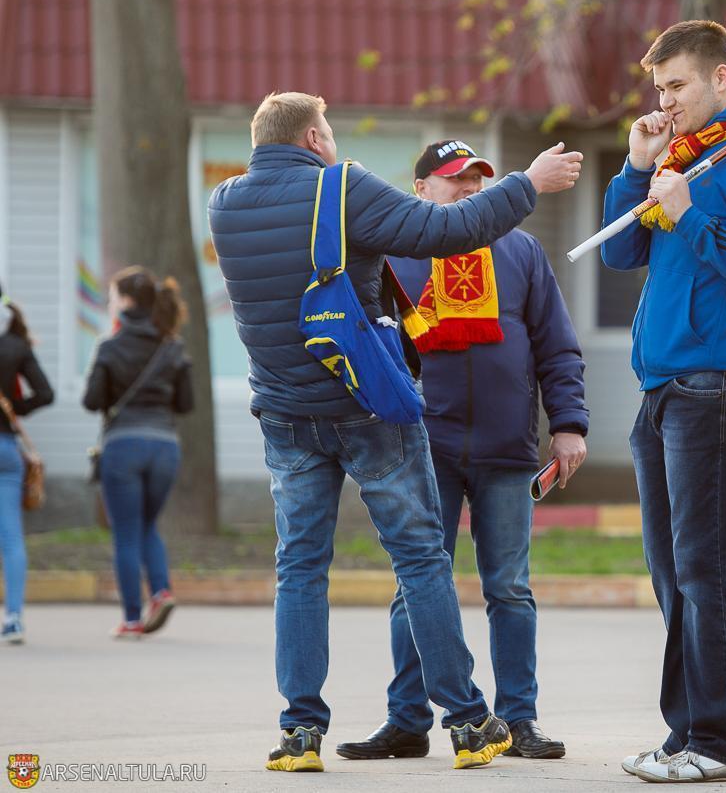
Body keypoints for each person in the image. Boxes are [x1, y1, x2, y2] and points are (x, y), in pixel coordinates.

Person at [208, 92, 581, 773]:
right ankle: (467, 721)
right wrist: (526, 183)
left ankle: (300, 731)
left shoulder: (224, 203)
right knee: (420, 560)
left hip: (286, 415)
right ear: (314, 137)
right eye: (328, 131)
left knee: (299, 567)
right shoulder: (341, 187)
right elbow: (445, 232)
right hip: (365, 405)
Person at [600, 21, 726, 783]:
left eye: (678, 85)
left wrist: (689, 213)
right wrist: (637, 168)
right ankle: (685, 732)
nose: (665, 101)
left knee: (706, 566)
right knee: (671, 568)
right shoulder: (681, 156)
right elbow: (619, 250)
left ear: (722, 78)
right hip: (663, 385)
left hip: (719, 382)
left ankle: (719, 744)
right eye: (659, 88)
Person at [338, 140, 589, 763]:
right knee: (417, 585)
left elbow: (557, 346)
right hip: (424, 448)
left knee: (510, 589)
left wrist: (569, 424)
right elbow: (368, 348)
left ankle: (519, 719)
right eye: (456, 180)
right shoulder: (393, 255)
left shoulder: (521, 251)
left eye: (478, 179)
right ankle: (407, 719)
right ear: (421, 189)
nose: (471, 189)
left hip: (508, 449)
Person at [83, 268, 193, 640]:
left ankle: (132, 619)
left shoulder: (110, 345)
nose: (110, 302)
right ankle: (161, 592)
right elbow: (186, 403)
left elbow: (92, 401)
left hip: (123, 446)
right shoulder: (172, 346)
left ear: (127, 301)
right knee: (147, 523)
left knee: (126, 532)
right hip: (165, 447)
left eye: (113, 296)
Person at [0, 289, 54, 645]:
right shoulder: (16, 344)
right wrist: (15, 409)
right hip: (6, 449)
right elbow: (46, 393)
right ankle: (14, 618)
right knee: (11, 537)